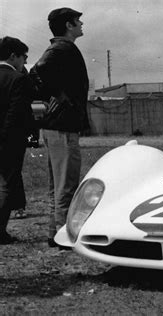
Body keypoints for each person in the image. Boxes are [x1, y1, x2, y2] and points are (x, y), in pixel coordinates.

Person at [29, 7, 89, 247]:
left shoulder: (60, 48)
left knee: (58, 184)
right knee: (66, 183)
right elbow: (38, 72)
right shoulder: (62, 48)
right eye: (78, 21)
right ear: (68, 25)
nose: (81, 25)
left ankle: (55, 231)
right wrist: (59, 95)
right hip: (63, 127)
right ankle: (64, 234)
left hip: (58, 126)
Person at [0, 36, 34, 244]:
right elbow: (15, 114)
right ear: (13, 56)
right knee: (6, 185)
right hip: (8, 141)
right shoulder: (18, 79)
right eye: (24, 57)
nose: (24, 62)